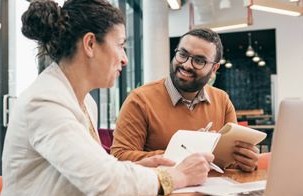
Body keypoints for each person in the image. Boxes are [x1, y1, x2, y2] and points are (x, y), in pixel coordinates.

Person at [0, 0, 215, 196]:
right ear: (90, 44)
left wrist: (143, 168)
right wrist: (178, 176)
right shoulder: (44, 102)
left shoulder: (84, 102)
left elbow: (94, 168)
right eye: (120, 45)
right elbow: (105, 183)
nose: (125, 59)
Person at [111, 28, 260, 172]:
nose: (187, 65)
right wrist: (183, 153)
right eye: (182, 54)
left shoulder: (222, 100)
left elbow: (228, 163)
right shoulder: (140, 99)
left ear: (214, 69)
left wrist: (246, 162)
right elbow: (120, 157)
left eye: (199, 60)